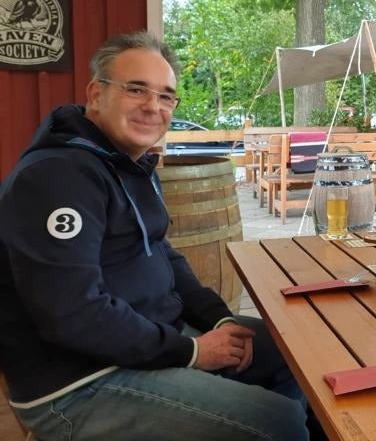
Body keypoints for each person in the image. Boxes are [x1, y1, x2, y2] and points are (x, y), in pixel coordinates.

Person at [0, 31, 310, 440]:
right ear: (96, 94)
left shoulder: (130, 165)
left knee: (296, 353)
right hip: (78, 383)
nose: (152, 106)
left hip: (151, 339)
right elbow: (73, 315)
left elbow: (162, 254)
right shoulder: (56, 178)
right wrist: (193, 351)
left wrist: (218, 317)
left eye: (166, 96)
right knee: (279, 422)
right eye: (136, 89)